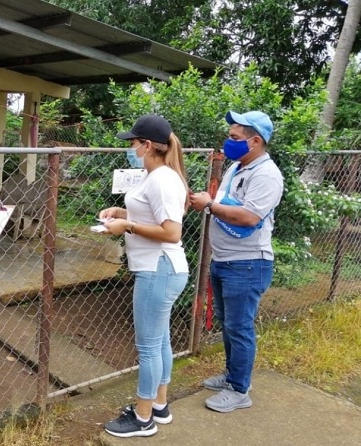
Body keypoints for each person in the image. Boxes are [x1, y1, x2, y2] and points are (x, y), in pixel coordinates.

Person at [99, 114, 189, 438]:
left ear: (147, 145)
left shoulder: (163, 179)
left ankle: (142, 417)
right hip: (161, 269)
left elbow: (171, 232)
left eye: (133, 142)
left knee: (149, 347)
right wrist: (121, 214)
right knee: (159, 341)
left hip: (158, 270)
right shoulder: (157, 177)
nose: (131, 147)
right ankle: (159, 406)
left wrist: (128, 226)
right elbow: (150, 213)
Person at [189, 110, 283, 413]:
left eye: (234, 138)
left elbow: (249, 216)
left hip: (248, 263)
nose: (228, 142)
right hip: (226, 260)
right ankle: (233, 377)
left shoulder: (266, 175)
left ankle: (240, 390)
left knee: (239, 327)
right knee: (229, 325)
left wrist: (210, 205)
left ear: (255, 141)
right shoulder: (237, 167)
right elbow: (228, 202)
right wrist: (210, 200)